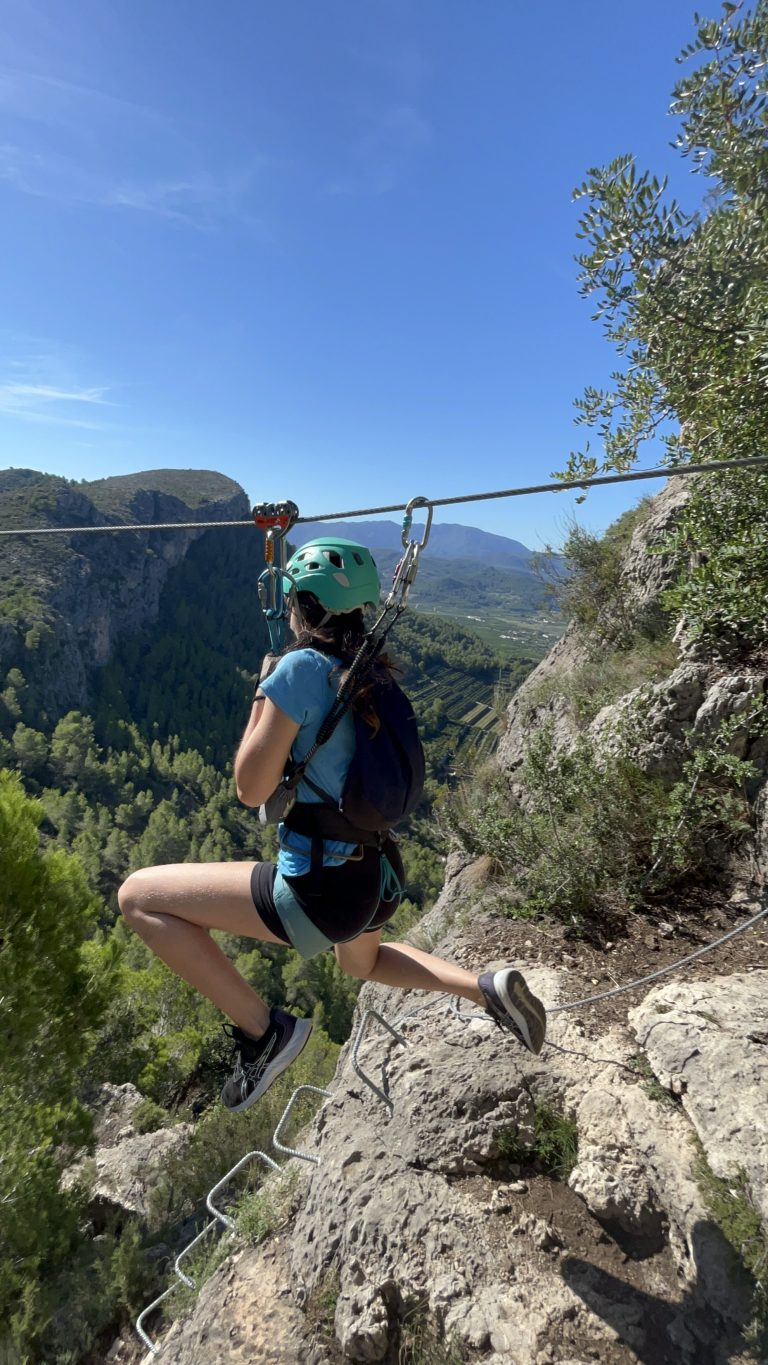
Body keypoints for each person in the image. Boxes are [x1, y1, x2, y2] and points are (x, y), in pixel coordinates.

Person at [118, 537, 546, 1113]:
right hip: (376, 878)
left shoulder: (300, 670)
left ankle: (262, 1032)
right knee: (361, 963)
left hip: (321, 888)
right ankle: (486, 989)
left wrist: (262, 695)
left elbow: (251, 789)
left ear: (305, 604)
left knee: (139, 897)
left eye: (292, 599)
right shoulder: (371, 671)